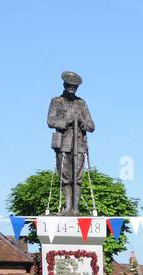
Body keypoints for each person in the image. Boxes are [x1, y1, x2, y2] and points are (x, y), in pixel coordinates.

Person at [47, 71, 95, 214]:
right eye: (70, 86)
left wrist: (82, 122)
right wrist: (66, 122)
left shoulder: (81, 103)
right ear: (64, 85)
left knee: (77, 177)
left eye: (75, 87)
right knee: (65, 176)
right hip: (63, 144)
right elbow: (50, 121)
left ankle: (76, 208)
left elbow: (91, 126)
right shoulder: (56, 101)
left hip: (79, 145)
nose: (72, 88)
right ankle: (67, 206)